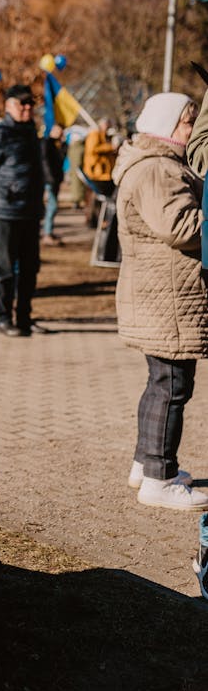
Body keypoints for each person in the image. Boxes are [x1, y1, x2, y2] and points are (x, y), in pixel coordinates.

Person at [114, 92, 208, 510]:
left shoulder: (156, 165)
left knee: (162, 384)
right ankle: (160, 478)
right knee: (172, 387)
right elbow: (182, 227)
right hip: (166, 298)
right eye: (189, 123)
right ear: (169, 127)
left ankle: (146, 463)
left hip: (161, 296)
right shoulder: (157, 170)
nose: (193, 130)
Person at [0, 83, 44, 337]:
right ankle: (3, 318)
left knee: (30, 267)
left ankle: (24, 317)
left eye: (30, 104)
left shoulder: (32, 133)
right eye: (21, 103)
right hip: (5, 211)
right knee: (6, 267)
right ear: (9, 106)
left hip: (31, 210)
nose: (27, 108)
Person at [40, 123, 66, 246]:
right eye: (57, 130)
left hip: (56, 179)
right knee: (52, 206)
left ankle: (48, 231)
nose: (59, 133)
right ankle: (47, 233)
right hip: (49, 180)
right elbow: (45, 162)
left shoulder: (59, 144)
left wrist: (63, 143)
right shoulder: (46, 143)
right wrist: (49, 178)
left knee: (52, 207)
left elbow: (63, 157)